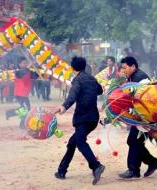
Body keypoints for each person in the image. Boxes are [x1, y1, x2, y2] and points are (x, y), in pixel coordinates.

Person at [54, 57, 105, 185]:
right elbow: (100, 90)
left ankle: (96, 166)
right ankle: (61, 171)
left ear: (72, 68)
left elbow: (72, 95)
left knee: (80, 142)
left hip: (83, 118)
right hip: (93, 117)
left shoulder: (78, 80)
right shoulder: (91, 79)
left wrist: (63, 106)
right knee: (72, 143)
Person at [119, 56, 157, 179]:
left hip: (146, 117)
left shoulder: (140, 79)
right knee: (134, 141)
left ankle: (134, 170)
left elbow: (148, 100)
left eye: (125, 67)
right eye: (122, 68)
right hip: (140, 117)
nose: (123, 70)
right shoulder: (132, 77)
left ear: (133, 66)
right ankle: (151, 163)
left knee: (133, 141)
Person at [5, 57, 39, 128]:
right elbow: (22, 73)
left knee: (25, 109)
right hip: (19, 94)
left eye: (26, 63)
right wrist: (29, 66)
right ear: (19, 64)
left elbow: (36, 76)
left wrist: (35, 68)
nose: (25, 64)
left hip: (25, 94)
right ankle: (22, 124)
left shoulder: (28, 71)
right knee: (26, 109)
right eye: (24, 63)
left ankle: (10, 113)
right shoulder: (18, 71)